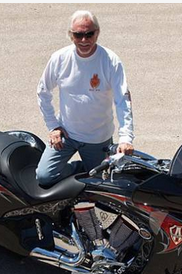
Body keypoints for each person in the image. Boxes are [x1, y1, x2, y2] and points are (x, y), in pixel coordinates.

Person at [36, 10, 135, 187]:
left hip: (97, 138)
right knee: (44, 177)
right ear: (70, 35)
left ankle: (90, 170)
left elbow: (123, 100)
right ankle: (81, 170)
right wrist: (53, 126)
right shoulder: (59, 58)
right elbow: (43, 92)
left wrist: (125, 137)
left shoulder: (110, 61)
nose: (84, 40)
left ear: (97, 33)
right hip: (66, 134)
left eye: (89, 34)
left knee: (100, 185)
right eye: (78, 35)